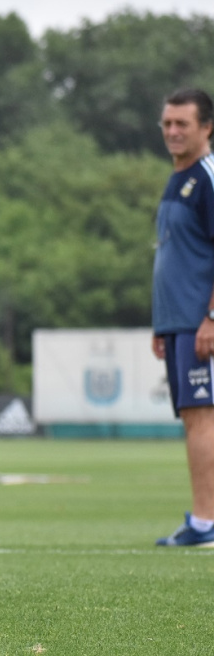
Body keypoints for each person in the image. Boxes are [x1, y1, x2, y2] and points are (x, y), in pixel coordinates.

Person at [152, 88, 214, 547]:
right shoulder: (179, 178)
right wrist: (161, 324)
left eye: (182, 124)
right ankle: (203, 519)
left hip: (201, 323)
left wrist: (211, 316)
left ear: (206, 127)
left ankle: (206, 524)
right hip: (178, 323)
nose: (172, 131)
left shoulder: (208, 177)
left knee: (202, 418)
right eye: (167, 123)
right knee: (194, 419)